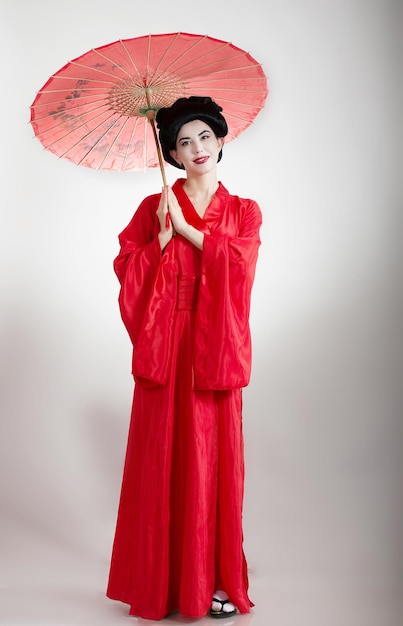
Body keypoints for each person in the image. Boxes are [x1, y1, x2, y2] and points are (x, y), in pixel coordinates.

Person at [106, 96, 262, 621]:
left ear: (220, 140)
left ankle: (216, 577)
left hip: (213, 343)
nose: (196, 148)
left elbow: (239, 270)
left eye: (204, 137)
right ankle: (164, 581)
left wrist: (191, 233)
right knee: (162, 457)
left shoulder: (244, 211)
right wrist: (159, 242)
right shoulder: (155, 207)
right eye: (183, 142)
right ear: (170, 153)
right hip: (166, 341)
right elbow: (127, 268)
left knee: (214, 459)